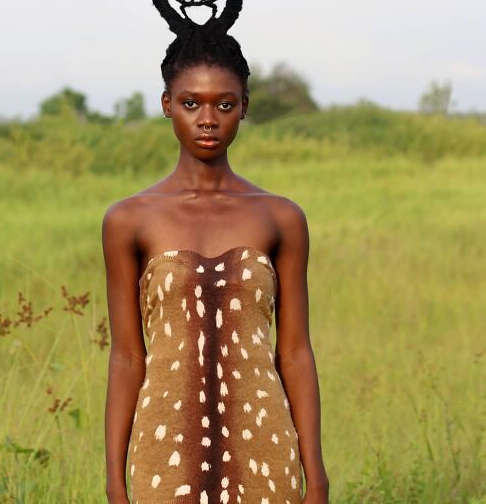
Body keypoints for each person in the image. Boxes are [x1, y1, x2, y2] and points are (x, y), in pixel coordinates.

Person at [101, 30, 330, 503]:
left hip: (266, 448)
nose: (208, 120)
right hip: (162, 452)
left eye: (224, 105)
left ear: (244, 107)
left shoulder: (280, 217)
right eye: (191, 104)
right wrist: (115, 484)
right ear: (167, 104)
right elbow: (126, 358)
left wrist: (317, 478)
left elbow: (294, 353)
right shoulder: (128, 220)